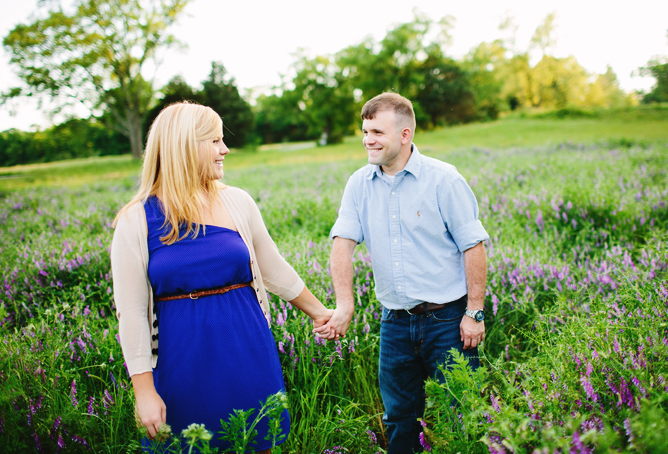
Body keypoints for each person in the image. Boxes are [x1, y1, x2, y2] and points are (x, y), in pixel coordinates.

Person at [111, 102, 335, 453]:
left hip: (247, 348)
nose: (225, 149)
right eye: (214, 141)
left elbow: (273, 268)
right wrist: (144, 391)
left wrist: (320, 313)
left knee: (255, 439)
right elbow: (132, 312)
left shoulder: (237, 202)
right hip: (179, 361)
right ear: (184, 146)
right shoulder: (135, 220)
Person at [325, 92, 489, 453]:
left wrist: (474, 312)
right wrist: (344, 304)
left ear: (405, 134)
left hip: (447, 321)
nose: (368, 140)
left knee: (461, 413)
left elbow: (473, 246)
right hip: (394, 322)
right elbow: (342, 243)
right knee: (399, 418)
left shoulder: (443, 179)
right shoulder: (359, 183)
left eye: (377, 132)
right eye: (365, 131)